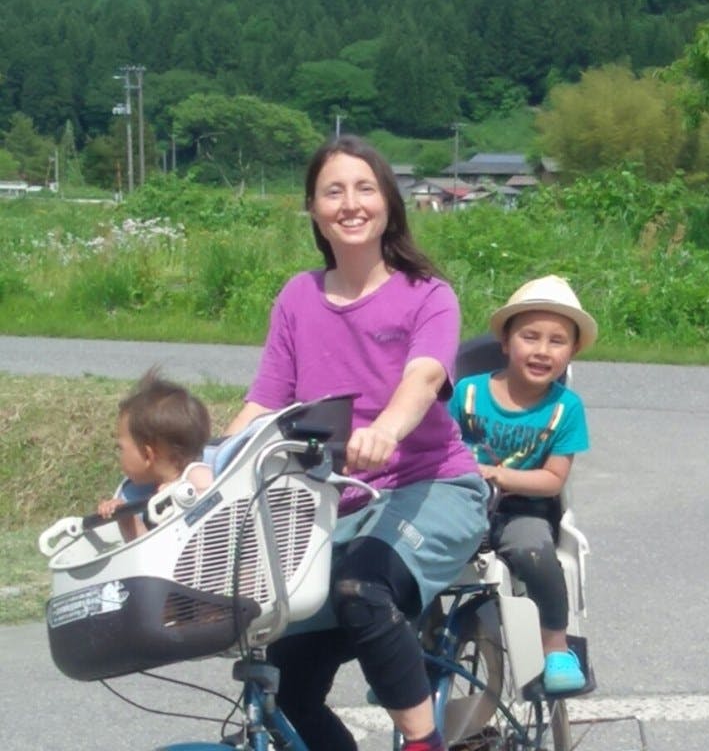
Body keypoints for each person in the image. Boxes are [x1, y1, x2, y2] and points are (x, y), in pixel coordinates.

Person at [225, 135, 489, 751]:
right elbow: (264, 401)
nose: (350, 203)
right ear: (314, 210)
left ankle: (424, 745)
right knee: (283, 681)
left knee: (361, 589)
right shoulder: (298, 296)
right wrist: (206, 467)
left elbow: (424, 377)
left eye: (365, 188)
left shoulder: (427, 294)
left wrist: (386, 431)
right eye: (333, 191)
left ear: (389, 204)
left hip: (432, 486)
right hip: (333, 504)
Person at [449, 274, 596, 693]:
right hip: (462, 503)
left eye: (557, 341)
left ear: (572, 352)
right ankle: (410, 653)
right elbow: (438, 447)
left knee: (535, 552)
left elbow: (552, 480)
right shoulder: (468, 393)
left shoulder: (566, 408)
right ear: (505, 342)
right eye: (530, 337)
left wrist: (498, 475)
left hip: (523, 510)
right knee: (419, 551)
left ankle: (556, 648)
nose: (542, 350)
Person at [97, 368, 213, 540]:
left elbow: (216, 501)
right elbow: (148, 548)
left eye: (121, 448)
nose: (118, 455)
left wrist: (181, 496)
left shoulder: (196, 475)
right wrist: (127, 519)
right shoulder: (148, 496)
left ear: (147, 455)